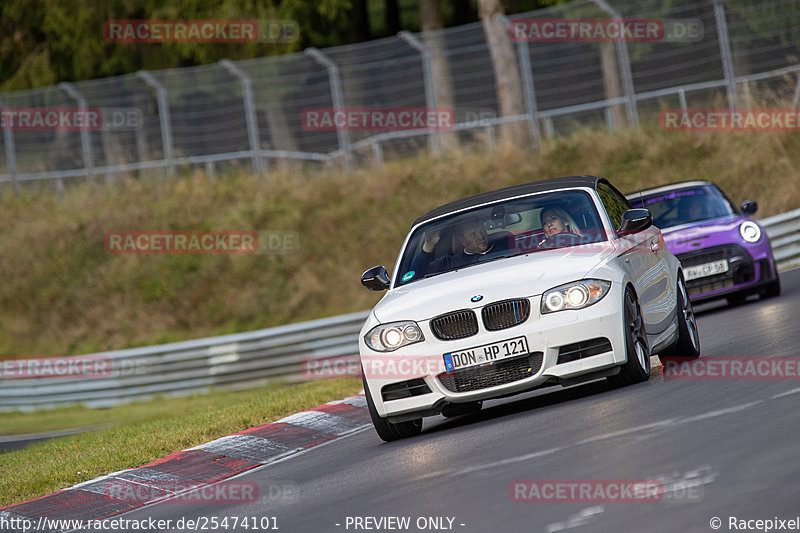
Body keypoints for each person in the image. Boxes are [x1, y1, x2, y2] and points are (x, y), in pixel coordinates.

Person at [409, 218, 495, 277]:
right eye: (473, 235)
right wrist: (428, 246)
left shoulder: (505, 247)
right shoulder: (449, 263)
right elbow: (415, 276)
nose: (481, 237)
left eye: (482, 231)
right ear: (463, 241)